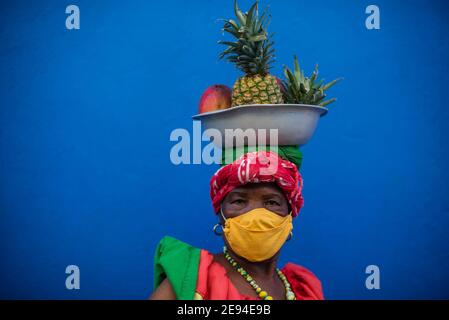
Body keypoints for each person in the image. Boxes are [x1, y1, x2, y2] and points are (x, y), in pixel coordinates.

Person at [150, 150, 323, 300]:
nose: (255, 215)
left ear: (289, 216)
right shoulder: (193, 278)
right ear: (221, 215)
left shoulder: (304, 289)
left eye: (271, 203)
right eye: (239, 201)